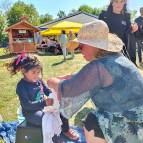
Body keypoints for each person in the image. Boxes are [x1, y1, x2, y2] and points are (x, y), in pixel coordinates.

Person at [47, 20, 143, 143]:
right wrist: (73, 76)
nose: (79, 50)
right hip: (138, 119)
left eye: (81, 46)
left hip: (134, 128)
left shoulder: (98, 66)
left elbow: (66, 89)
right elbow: (98, 77)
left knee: (92, 121)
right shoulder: (117, 58)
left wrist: (51, 81)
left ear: (95, 46)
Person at [6, 53, 79, 141]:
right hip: (31, 112)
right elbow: (26, 105)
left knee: (62, 108)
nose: (37, 75)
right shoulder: (21, 86)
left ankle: (65, 130)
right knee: (47, 119)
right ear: (24, 71)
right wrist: (44, 103)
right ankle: (54, 137)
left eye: (38, 72)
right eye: (33, 72)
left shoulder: (38, 80)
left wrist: (55, 95)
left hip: (43, 107)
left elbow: (47, 91)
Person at [99, 0, 138, 65]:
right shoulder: (103, 16)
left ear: (124, 3)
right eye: (116, 1)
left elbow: (129, 38)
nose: (118, 4)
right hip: (106, 54)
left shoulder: (127, 17)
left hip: (122, 55)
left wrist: (133, 30)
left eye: (121, 1)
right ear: (112, 2)